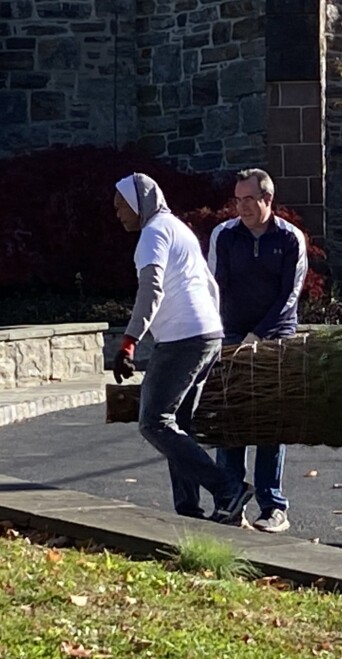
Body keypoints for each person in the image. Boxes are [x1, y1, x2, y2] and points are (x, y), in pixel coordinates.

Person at [112, 172, 253, 525]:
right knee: (179, 427)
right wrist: (214, 330)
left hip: (182, 339)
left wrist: (129, 341)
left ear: (139, 203)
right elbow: (209, 283)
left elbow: (151, 289)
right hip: (207, 334)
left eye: (120, 206)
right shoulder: (178, 228)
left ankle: (228, 489)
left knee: (154, 422)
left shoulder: (152, 233)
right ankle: (189, 511)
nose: (117, 214)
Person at [207, 168, 308, 533]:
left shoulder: (290, 238)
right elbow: (213, 287)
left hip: (274, 338)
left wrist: (259, 335)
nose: (242, 207)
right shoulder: (224, 235)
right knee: (230, 418)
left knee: (270, 418)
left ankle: (273, 506)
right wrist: (223, 334)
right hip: (231, 336)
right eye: (238, 199)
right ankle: (230, 500)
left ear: (268, 200)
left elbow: (290, 295)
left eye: (249, 199)